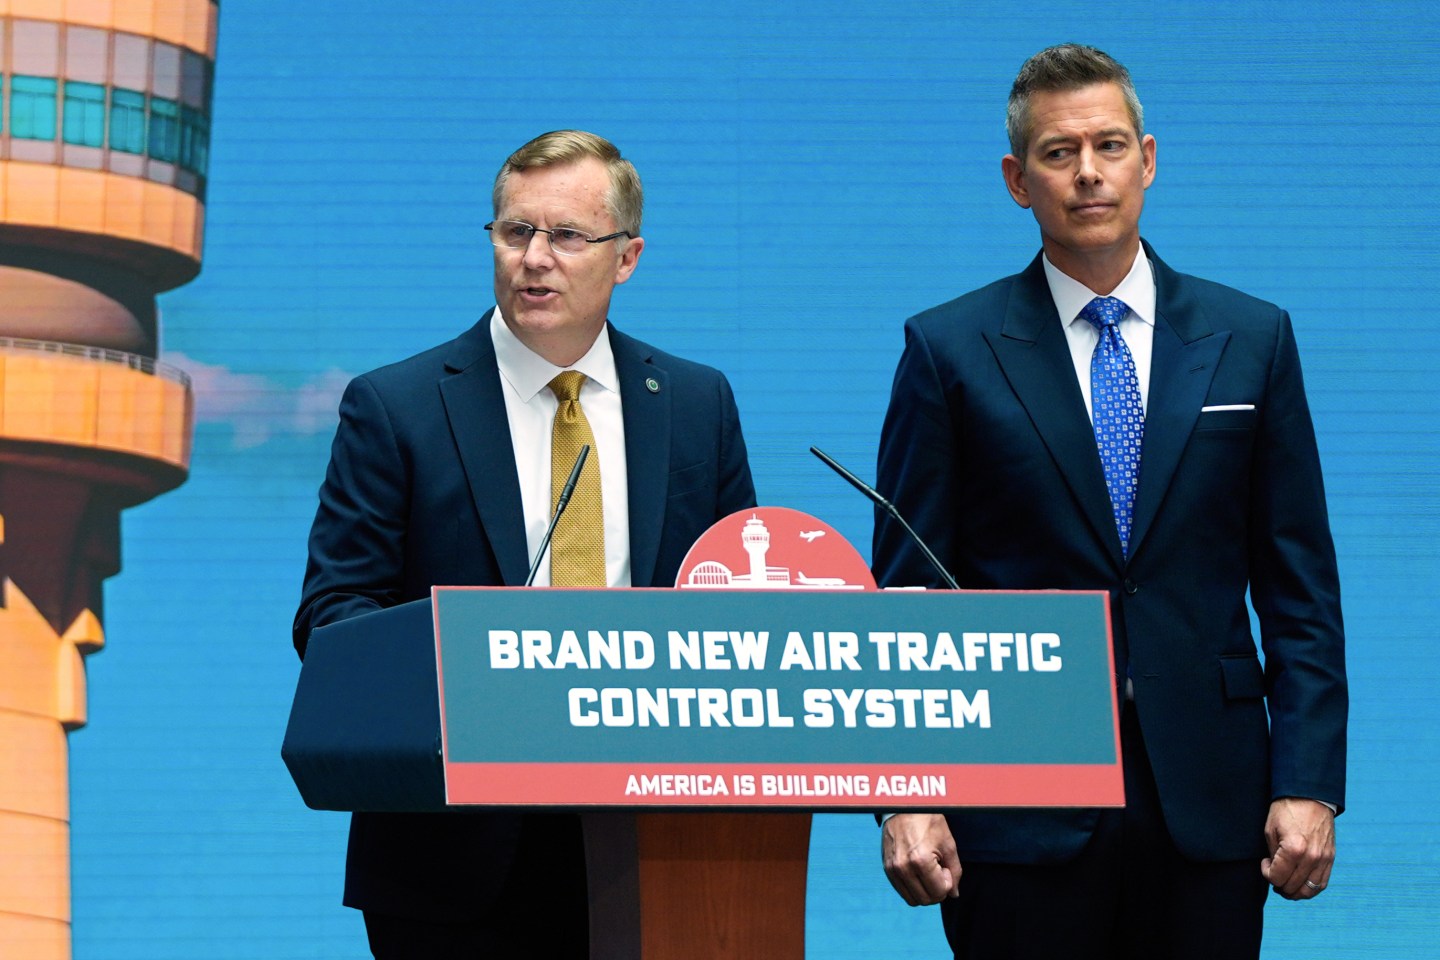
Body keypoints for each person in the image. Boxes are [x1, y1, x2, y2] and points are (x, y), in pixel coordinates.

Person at [873, 44, 1346, 959]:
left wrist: (1311, 783)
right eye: (1058, 153)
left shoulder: (1252, 339)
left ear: (1149, 159)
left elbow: (1301, 592)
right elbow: (908, 603)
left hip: (1211, 806)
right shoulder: (949, 350)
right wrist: (907, 789)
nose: (1088, 172)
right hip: (1015, 812)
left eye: (1110, 145)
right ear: (1018, 180)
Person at [294, 130, 756, 957]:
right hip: (455, 857)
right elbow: (334, 617)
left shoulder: (696, 403)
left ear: (627, 258)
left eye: (568, 236)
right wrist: (485, 674)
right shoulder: (395, 407)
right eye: (515, 232)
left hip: (664, 844)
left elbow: (737, 606)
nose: (534, 259)